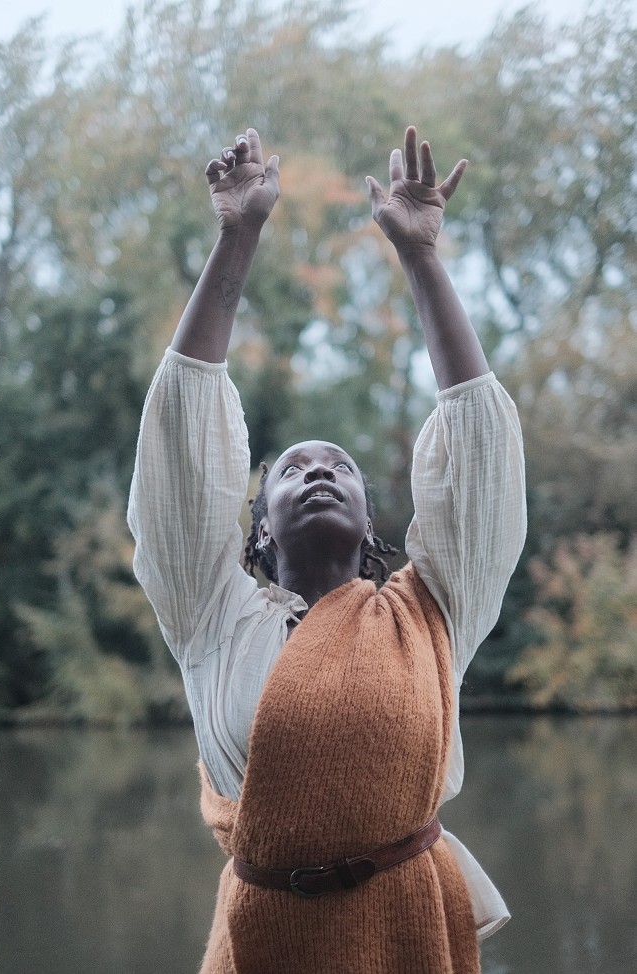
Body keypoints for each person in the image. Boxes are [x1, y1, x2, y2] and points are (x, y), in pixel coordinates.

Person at [128, 126, 526, 974]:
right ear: (259, 526)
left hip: (408, 935)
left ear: (370, 522)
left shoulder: (430, 615)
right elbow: (180, 435)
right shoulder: (210, 610)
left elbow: (483, 451)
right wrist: (237, 237)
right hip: (267, 940)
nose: (318, 471)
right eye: (294, 468)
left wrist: (421, 258)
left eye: (339, 466)